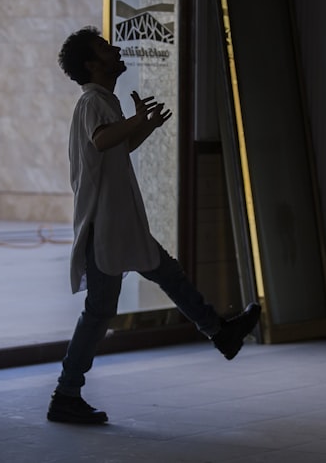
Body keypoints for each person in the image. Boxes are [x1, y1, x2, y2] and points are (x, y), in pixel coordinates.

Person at [48, 26, 261, 425]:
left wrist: (143, 127)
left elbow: (117, 147)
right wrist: (134, 121)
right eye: (104, 48)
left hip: (118, 225)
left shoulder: (104, 101)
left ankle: (220, 332)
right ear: (92, 64)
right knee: (100, 311)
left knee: (169, 275)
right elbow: (102, 140)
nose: (114, 50)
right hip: (104, 227)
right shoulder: (92, 101)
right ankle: (66, 393)